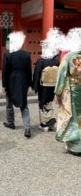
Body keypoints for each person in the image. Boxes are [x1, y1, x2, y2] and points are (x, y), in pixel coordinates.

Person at [54, 27, 81, 155]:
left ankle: (75, 145)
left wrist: (58, 93)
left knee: (72, 116)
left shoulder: (69, 57)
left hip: (72, 90)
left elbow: (61, 75)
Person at [2, 31, 32, 138]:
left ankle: (11, 123)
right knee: (24, 104)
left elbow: (5, 72)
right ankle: (27, 128)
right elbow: (29, 70)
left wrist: (4, 85)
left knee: (9, 103)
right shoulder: (26, 55)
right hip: (23, 81)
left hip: (11, 81)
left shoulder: (7, 56)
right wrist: (29, 83)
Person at [33, 28, 61, 131]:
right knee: (49, 103)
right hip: (53, 85)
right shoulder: (56, 61)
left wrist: (35, 87)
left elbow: (37, 74)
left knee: (43, 103)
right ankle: (51, 123)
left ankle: (45, 124)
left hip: (43, 86)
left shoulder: (41, 60)